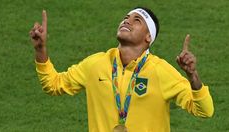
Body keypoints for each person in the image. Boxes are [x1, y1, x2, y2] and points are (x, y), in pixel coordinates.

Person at [29, 7, 214, 132]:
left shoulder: (161, 71)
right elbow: (53, 84)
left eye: (137, 20)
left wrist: (193, 76)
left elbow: (204, 111)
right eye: (126, 18)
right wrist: (40, 50)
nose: (127, 21)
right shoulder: (96, 64)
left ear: (148, 37)